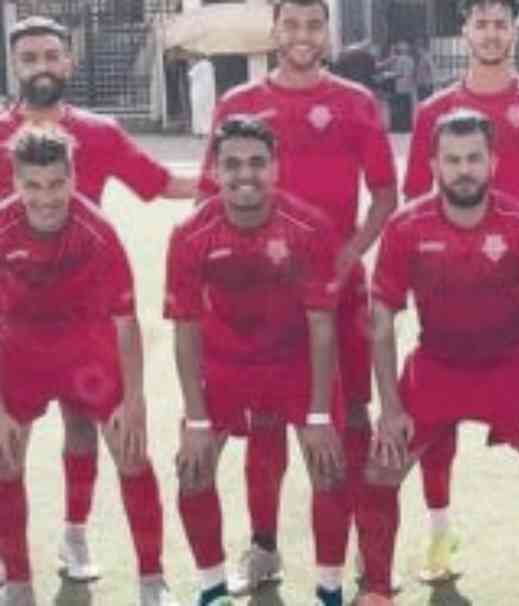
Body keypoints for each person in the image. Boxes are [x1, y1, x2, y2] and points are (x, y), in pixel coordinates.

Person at [196, 0, 398, 595]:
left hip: (338, 291)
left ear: (327, 33)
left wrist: (346, 258)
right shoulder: (239, 104)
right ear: (275, 29)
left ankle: (352, 548)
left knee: (350, 418)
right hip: (260, 298)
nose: (302, 35)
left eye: (314, 24)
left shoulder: (356, 102)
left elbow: (385, 195)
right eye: (292, 24)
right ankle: (264, 549)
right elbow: (209, 194)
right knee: (265, 424)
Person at [355, 109, 519, 606]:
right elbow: (381, 321)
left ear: (493, 163)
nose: (464, 170)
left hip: (512, 365)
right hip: (438, 365)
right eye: (453, 160)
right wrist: (390, 409)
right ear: (433, 166)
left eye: (474, 159)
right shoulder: (406, 227)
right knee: (380, 468)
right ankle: (376, 590)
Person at [0, 15, 196, 587]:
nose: (40, 67)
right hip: (15, 328)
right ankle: (16, 575)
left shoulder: (99, 133)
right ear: (14, 65)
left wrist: (239, 186)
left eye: (50, 56)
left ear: (69, 62)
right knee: (7, 448)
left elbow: (162, 183)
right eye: (28, 57)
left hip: (87, 322)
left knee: (89, 430)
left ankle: (76, 533)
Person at [401, 0, 519, 581]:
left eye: (500, 23)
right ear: (465, 30)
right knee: (436, 425)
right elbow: (412, 204)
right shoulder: (435, 112)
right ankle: (440, 533)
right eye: (480, 23)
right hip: (452, 295)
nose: (490, 33)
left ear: (516, 29)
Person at [170, 116, 350, 606]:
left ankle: (329, 590)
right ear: (215, 170)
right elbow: (185, 331)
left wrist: (318, 416)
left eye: (256, 162)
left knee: (330, 468)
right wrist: (196, 421)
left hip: (296, 364)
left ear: (276, 168)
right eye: (231, 164)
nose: (244, 174)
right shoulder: (190, 234)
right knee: (192, 470)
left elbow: (321, 324)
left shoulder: (309, 227)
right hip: (226, 366)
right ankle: (212, 589)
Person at [0, 127, 176, 606]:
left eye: (56, 183)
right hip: (20, 356)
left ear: (74, 177)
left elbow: (126, 322)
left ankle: (150, 581)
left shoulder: (97, 232)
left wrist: (134, 402)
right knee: (4, 457)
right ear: (15, 181)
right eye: (33, 185)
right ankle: (17, 583)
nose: (46, 198)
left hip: (87, 356)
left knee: (132, 453)